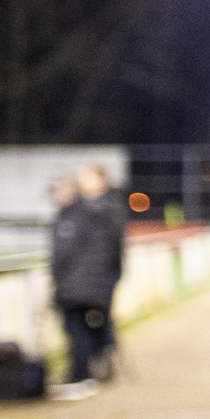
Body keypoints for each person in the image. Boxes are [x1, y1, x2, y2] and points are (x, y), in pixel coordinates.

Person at [51, 165, 126, 392]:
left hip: (83, 282)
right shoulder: (108, 208)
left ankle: (82, 374)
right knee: (95, 326)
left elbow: (63, 252)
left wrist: (57, 278)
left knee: (78, 328)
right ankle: (95, 367)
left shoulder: (84, 212)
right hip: (97, 281)